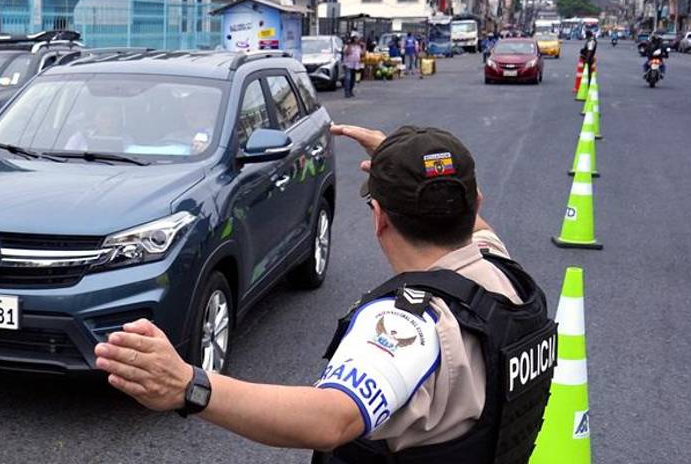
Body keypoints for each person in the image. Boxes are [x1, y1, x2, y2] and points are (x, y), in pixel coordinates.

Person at [93, 124, 556, 463]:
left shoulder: (408, 324)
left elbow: (332, 419)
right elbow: (474, 219)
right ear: (474, 204)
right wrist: (402, 161)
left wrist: (188, 387)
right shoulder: (501, 268)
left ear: (378, 218)